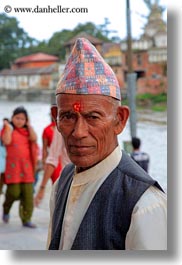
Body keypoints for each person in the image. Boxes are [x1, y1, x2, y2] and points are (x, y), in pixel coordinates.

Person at [47, 38, 167, 250]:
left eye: (93, 117)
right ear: (55, 117)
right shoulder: (62, 183)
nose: (79, 133)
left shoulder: (144, 204)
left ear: (119, 120)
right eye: (68, 117)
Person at [1, 106, 38, 228]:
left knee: (28, 195)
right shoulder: (9, 130)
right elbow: (6, 141)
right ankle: (6, 209)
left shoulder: (27, 131)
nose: (19, 121)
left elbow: (34, 139)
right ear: (12, 118)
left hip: (26, 167)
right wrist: (7, 127)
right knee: (13, 192)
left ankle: (26, 219)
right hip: (13, 167)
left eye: (23, 119)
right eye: (17, 118)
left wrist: (30, 125)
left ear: (26, 120)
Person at [34, 127, 70, 207]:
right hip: (64, 171)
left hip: (63, 168)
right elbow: (48, 152)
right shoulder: (51, 129)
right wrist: (42, 188)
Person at [0, 118, 9, 195]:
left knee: (3, 174)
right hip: (2, 155)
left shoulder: (8, 130)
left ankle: (1, 189)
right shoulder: (2, 129)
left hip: (5, 156)